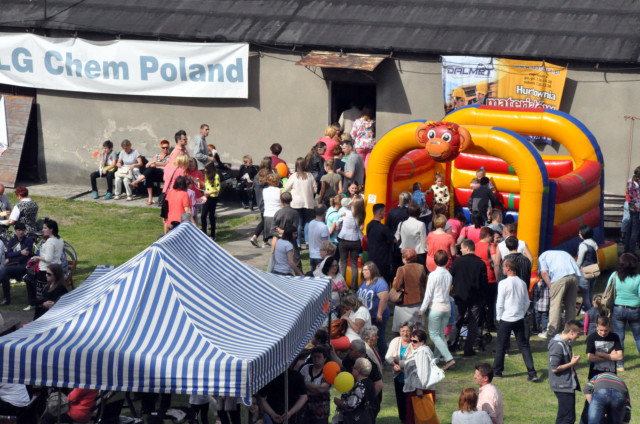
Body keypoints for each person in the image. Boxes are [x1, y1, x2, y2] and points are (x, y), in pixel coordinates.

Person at [493, 258, 539, 381]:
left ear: (508, 268)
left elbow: (500, 302)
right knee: (524, 346)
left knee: (501, 346)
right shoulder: (522, 283)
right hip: (519, 318)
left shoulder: (503, 283)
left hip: (506, 318)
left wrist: (498, 317)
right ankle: (532, 372)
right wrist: (521, 313)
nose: (502, 269)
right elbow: (526, 302)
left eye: (503, 267)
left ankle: (497, 372)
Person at [579, 315, 624, 424]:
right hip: (595, 376)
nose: (603, 333)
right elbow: (590, 358)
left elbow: (620, 357)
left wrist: (600, 354)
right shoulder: (592, 337)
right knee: (590, 405)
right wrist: (610, 356)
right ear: (596, 327)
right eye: (601, 330)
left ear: (609, 327)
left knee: (610, 406)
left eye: (606, 330)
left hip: (610, 376)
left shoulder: (614, 337)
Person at [449, 240, 488, 356]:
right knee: (473, 323)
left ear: (467, 248)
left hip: (459, 296)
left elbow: (449, 278)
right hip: (476, 297)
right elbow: (484, 283)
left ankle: (452, 346)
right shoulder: (480, 263)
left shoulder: (457, 262)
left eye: (461, 248)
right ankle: (468, 349)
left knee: (457, 322)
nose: (460, 250)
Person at [419, 250, 455, 370]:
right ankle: (435, 359)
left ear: (434, 261)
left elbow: (428, 294)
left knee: (434, 335)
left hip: (436, 307)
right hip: (446, 306)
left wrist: (422, 309)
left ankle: (449, 358)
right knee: (440, 334)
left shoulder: (433, 275)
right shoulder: (449, 275)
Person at [606, 252, 640, 372]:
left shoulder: (614, 275)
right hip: (635, 310)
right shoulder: (638, 278)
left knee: (619, 336)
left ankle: (620, 365)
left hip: (618, 309)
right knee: (638, 337)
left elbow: (608, 291)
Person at [538, 249, 582, 337]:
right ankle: (571, 330)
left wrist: (551, 287)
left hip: (559, 277)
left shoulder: (541, 257)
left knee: (555, 305)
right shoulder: (563, 253)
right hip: (574, 276)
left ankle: (551, 332)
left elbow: (544, 273)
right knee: (571, 305)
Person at [548, 320, 582, 424]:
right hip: (562, 386)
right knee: (567, 418)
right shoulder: (558, 345)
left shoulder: (567, 343)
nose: (578, 336)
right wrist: (572, 363)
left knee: (565, 417)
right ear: (571, 332)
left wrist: (572, 363)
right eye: (578, 333)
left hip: (567, 385)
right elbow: (554, 368)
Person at [403, 329, 440, 424]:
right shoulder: (419, 350)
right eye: (411, 340)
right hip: (418, 388)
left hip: (421, 390)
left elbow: (423, 371)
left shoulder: (422, 352)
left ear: (422, 342)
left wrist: (419, 388)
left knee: (420, 417)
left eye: (415, 341)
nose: (412, 343)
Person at [357, 262, 390, 358]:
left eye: (366, 270)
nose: (363, 272)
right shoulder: (364, 283)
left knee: (379, 338)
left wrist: (379, 314)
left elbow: (384, 299)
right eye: (363, 270)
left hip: (377, 316)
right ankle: (368, 356)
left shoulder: (380, 283)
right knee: (367, 337)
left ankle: (384, 359)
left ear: (372, 270)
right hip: (367, 316)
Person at [391, 247, 427, 336]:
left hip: (404, 304)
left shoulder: (401, 269)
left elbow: (396, 286)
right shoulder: (421, 267)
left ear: (404, 258)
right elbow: (425, 283)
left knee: (400, 331)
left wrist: (395, 280)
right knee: (417, 331)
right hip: (418, 302)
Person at [385, 322, 415, 423]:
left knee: (410, 401)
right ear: (400, 331)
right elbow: (388, 356)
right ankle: (403, 419)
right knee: (400, 400)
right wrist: (394, 364)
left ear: (411, 332)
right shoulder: (395, 341)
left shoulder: (414, 343)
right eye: (403, 331)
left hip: (411, 378)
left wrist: (399, 362)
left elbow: (413, 362)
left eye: (407, 331)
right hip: (398, 377)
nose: (405, 333)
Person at [334, 357, 379, 424]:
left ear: (358, 370)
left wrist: (339, 402)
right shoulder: (369, 382)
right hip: (367, 417)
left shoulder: (360, 385)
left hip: (358, 420)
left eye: (354, 367)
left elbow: (351, 404)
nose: (352, 369)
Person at [285, 157, 317, 247]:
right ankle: (307, 241)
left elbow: (286, 188)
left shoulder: (294, 176)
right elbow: (315, 189)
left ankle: (298, 242)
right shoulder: (310, 175)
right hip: (308, 202)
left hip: (296, 203)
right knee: (307, 221)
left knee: (298, 223)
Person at [0, 222, 34, 306]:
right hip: (13, 265)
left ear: (25, 231)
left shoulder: (28, 241)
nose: (21, 232)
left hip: (23, 266)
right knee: (5, 275)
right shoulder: (12, 240)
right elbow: (8, 254)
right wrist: (20, 252)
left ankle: (6, 299)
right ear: (15, 231)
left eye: (22, 230)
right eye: (19, 230)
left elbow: (24, 257)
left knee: (5, 270)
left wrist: (12, 257)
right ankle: (7, 299)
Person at [131, 139, 171, 204]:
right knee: (149, 174)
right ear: (161, 148)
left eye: (167, 147)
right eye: (163, 148)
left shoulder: (170, 156)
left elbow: (165, 164)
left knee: (151, 170)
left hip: (163, 174)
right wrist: (156, 164)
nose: (165, 149)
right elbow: (152, 165)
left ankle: (136, 181)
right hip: (155, 172)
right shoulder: (157, 155)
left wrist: (154, 162)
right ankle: (150, 197)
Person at [337, 198, 365, 290]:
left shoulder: (346, 213)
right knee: (354, 264)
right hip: (355, 240)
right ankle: (354, 287)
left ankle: (343, 286)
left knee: (343, 263)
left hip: (344, 239)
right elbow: (361, 227)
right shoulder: (361, 214)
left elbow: (338, 221)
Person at [299, 346, 331, 424]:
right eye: (314, 357)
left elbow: (321, 389)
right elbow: (298, 385)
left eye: (319, 357)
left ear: (324, 358)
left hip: (321, 412)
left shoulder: (328, 371)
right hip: (304, 410)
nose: (316, 359)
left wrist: (305, 385)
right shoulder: (306, 368)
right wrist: (314, 389)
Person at [250, 157, 276, 248]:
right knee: (265, 221)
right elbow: (276, 184)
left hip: (259, 201)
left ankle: (265, 241)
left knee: (265, 221)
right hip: (268, 201)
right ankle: (255, 236)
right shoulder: (270, 175)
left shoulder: (257, 175)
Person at [475, 227, 498, 329]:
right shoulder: (491, 246)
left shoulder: (475, 245)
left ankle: (479, 322)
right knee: (490, 303)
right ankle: (489, 324)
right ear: (488, 236)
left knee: (479, 302)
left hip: (478, 278)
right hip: (490, 277)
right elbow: (496, 262)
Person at [366, 203, 395, 282]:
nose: (385, 213)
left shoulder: (369, 225)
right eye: (384, 211)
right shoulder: (383, 228)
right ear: (380, 213)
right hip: (383, 260)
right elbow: (394, 240)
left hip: (371, 257)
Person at [32, 218, 64, 286]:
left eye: (45, 228)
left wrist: (37, 258)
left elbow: (48, 258)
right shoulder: (60, 239)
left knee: (42, 290)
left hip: (46, 270)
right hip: (57, 268)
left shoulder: (50, 241)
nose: (43, 230)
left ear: (51, 229)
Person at [386, 192, 412, 276]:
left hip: (395, 243)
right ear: (409, 200)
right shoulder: (410, 213)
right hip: (407, 242)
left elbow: (387, 227)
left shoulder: (392, 212)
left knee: (395, 267)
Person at [395, 203, 427, 268]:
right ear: (418, 213)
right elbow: (423, 241)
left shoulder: (401, 224)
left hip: (405, 253)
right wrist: (426, 250)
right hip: (418, 253)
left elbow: (397, 237)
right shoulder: (421, 224)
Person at [577, 224, 599, 312]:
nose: (579, 234)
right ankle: (592, 311)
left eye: (580, 233)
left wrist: (575, 270)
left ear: (583, 234)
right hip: (594, 270)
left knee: (585, 295)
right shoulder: (594, 243)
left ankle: (589, 313)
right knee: (590, 293)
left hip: (585, 272)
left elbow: (580, 260)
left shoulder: (583, 245)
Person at [200, 161, 221, 240]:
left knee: (211, 215)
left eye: (206, 168)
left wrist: (209, 192)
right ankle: (204, 233)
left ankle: (213, 234)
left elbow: (217, 188)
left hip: (212, 198)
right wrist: (199, 181)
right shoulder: (206, 175)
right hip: (206, 197)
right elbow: (205, 185)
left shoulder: (216, 176)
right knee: (203, 215)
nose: (205, 170)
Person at [624, 165, 640, 254]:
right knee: (634, 231)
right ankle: (632, 252)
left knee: (629, 230)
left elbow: (628, 193)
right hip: (637, 209)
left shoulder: (630, 181)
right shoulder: (637, 184)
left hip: (631, 207)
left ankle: (626, 250)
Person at [262, 173, 282, 243]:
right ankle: (275, 248)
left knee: (268, 234)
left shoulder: (264, 190)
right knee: (276, 236)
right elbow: (281, 203)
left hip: (267, 214)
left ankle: (265, 243)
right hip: (277, 214)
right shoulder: (279, 191)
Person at [308, 205, 329, 270]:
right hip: (320, 257)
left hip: (312, 255)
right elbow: (325, 244)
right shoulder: (323, 227)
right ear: (324, 213)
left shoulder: (311, 223)